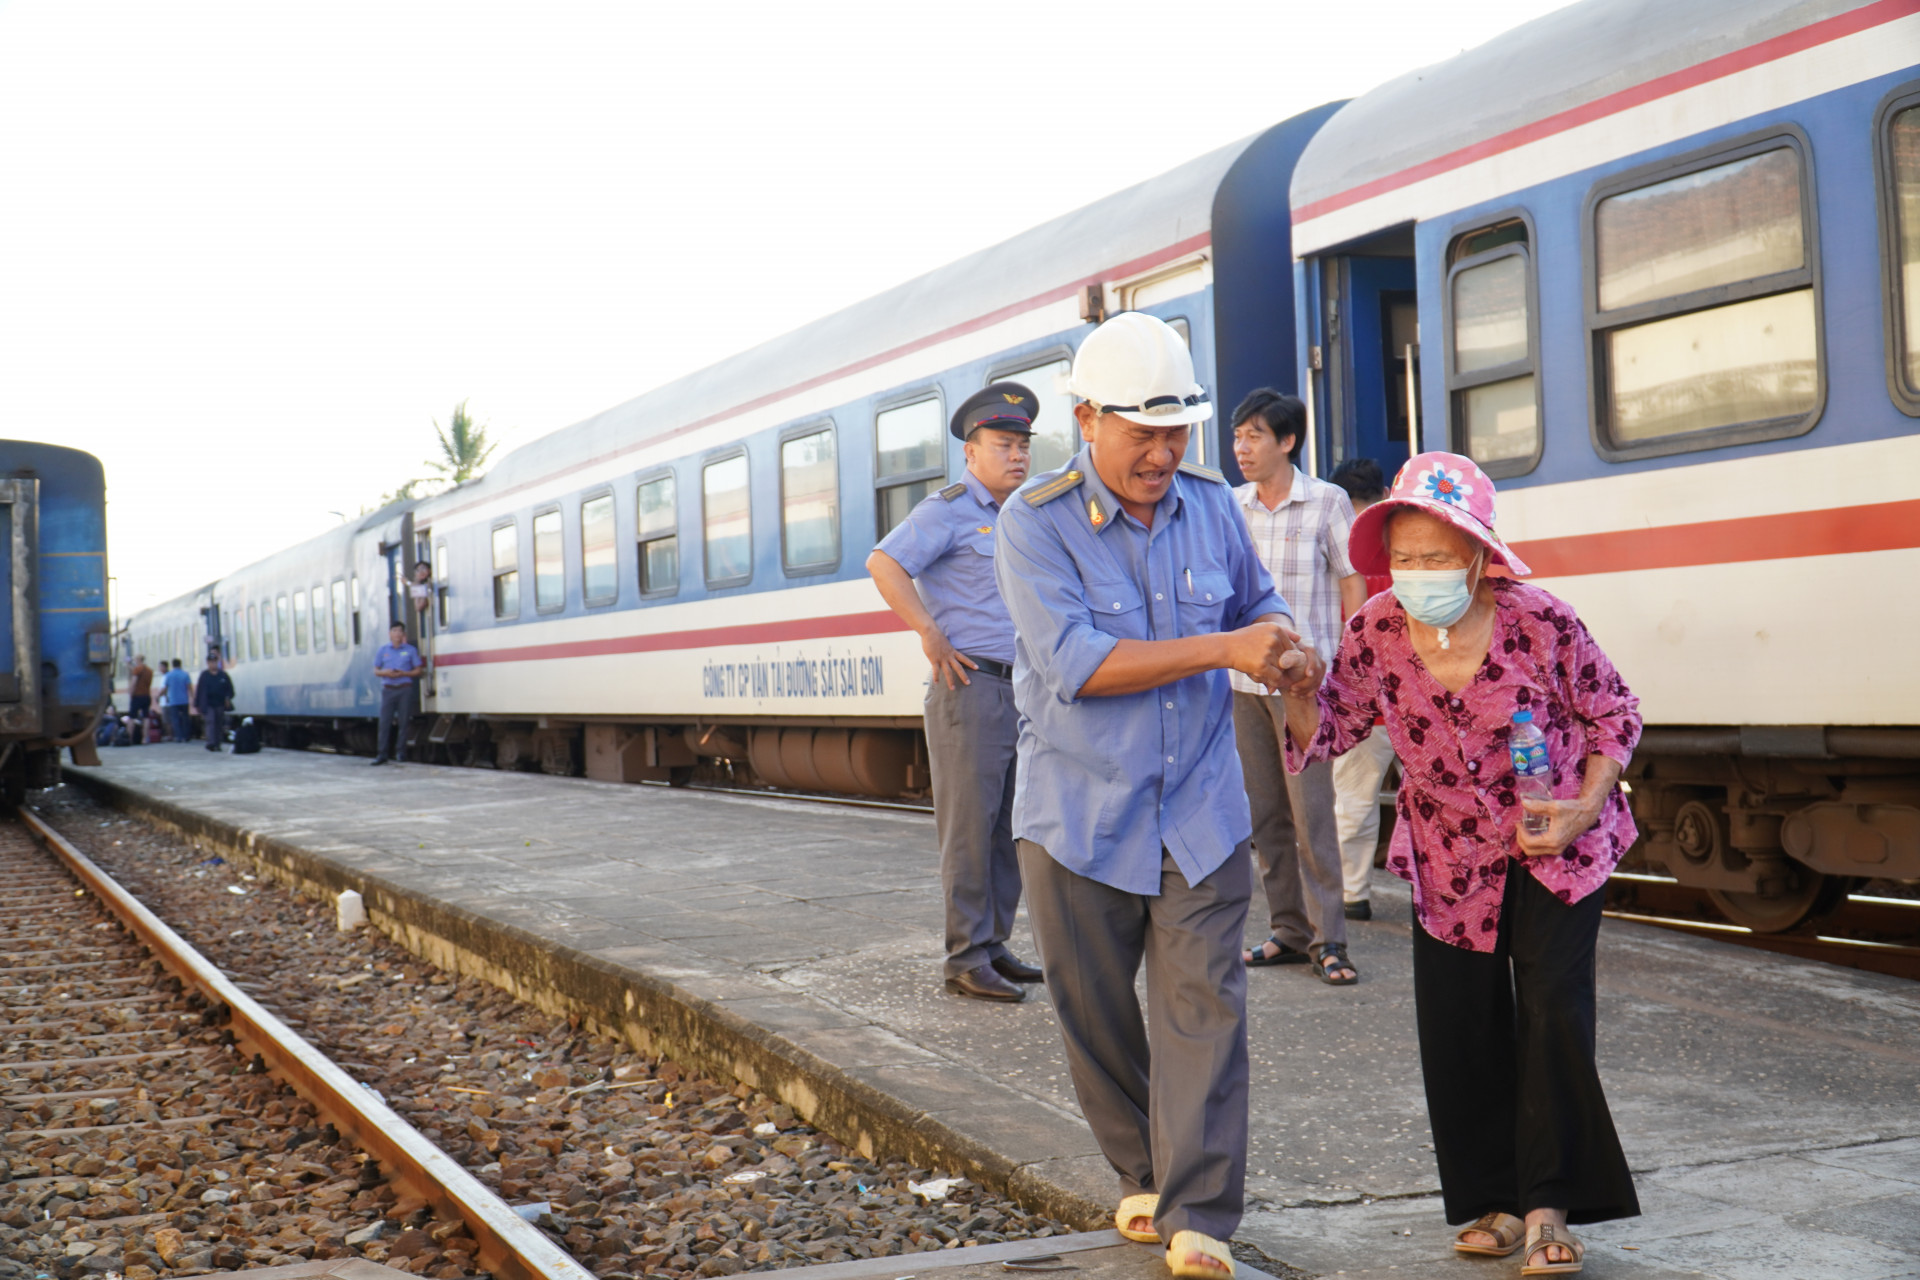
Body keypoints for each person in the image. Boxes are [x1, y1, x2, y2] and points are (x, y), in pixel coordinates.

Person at [995, 312, 1309, 1280]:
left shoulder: (1212, 506)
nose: (1164, 452)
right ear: (1086, 420)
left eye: (1180, 432)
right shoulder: (1032, 523)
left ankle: (1199, 1212)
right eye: (1143, 432)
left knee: (1205, 1006)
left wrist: (1289, 642)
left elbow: (1256, 601)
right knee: (1094, 1009)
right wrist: (1222, 650)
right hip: (1079, 814)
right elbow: (1078, 662)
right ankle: (1142, 1167)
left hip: (1200, 806)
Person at [1280, 451, 1642, 1276]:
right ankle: (1496, 1200)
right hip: (1449, 860)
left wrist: (1584, 805)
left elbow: (1615, 712)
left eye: (1438, 558)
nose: (1417, 573)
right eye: (1404, 557)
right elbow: (1326, 731)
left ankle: (1550, 1203)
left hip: (1561, 847)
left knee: (1553, 1009)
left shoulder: (1540, 620)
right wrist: (1299, 682)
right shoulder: (1374, 630)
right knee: (1460, 1025)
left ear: (1480, 556)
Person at [867, 382, 1045, 1003]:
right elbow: (884, 563)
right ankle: (965, 958)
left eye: (1024, 444)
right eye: (1004, 444)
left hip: (1022, 690)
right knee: (969, 829)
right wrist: (929, 633)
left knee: (1009, 827)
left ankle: (994, 944)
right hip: (968, 689)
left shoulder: (1025, 512)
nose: (1018, 455)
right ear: (971, 453)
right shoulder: (946, 510)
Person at [1228, 390, 1365, 984]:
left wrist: (1347, 662)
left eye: (1254, 436)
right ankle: (1287, 930)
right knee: (1265, 817)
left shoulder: (1328, 502)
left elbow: (1351, 581)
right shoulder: (1231, 507)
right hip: (1240, 683)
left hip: (1304, 688)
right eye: (1237, 437)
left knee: (1312, 816)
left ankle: (1329, 939)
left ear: (1287, 442)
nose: (1242, 448)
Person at [1327, 458, 1396, 921]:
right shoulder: (1407, 550)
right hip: (1415, 703)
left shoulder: (1342, 560)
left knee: (1353, 802)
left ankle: (1353, 895)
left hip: (1365, 710)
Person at [371, 622, 425, 765]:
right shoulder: (383, 650)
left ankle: (401, 752)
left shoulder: (410, 650)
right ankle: (382, 754)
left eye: (400, 631)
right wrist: (386, 672)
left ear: (403, 634)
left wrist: (404, 673)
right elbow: (376, 670)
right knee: (384, 722)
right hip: (388, 689)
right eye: (394, 631)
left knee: (404, 721)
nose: (397, 634)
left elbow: (418, 670)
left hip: (404, 689)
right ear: (390, 634)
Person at [193, 652, 235, 752]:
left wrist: (228, 698)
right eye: (211, 662)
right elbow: (199, 690)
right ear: (208, 663)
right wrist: (197, 703)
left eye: (214, 662)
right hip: (208, 704)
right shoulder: (204, 675)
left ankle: (218, 743)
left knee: (219, 723)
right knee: (210, 721)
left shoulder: (223, 675)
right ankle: (211, 743)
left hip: (220, 703)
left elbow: (229, 689)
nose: (213, 664)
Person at [161, 659, 193, 743]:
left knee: (175, 719)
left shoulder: (169, 675)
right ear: (180, 664)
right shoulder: (185, 674)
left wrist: (162, 696)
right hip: (184, 700)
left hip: (173, 701)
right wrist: (192, 697)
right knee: (185, 718)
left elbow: (165, 688)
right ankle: (186, 736)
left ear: (172, 665)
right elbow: (189, 687)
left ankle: (178, 736)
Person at [128, 654, 154, 743]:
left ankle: (129, 738)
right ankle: (145, 738)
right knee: (146, 717)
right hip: (146, 695)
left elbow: (134, 682)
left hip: (137, 696)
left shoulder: (137, 669)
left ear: (138, 660)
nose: (134, 661)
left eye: (135, 659)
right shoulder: (149, 670)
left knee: (132, 717)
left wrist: (131, 693)